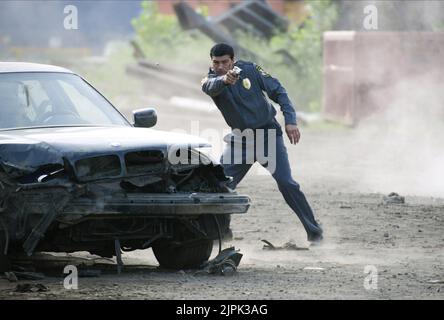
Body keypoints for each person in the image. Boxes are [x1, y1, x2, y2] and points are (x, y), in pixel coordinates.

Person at [201, 43, 323, 244]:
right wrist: (224, 79)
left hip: (268, 136)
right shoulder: (211, 79)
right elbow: (210, 87)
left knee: (286, 183)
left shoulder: (251, 69)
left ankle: (315, 231)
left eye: (225, 62)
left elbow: (279, 91)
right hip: (240, 141)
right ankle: (222, 231)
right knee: (219, 186)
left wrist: (290, 120)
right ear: (211, 62)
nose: (220, 66)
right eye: (216, 62)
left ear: (233, 60)